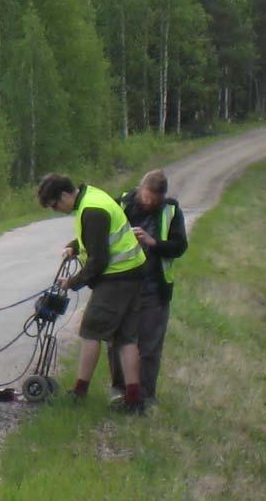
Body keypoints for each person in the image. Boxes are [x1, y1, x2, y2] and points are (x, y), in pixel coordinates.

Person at [37, 173, 147, 414]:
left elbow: (98, 261)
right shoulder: (92, 197)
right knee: (126, 338)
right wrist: (74, 247)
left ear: (65, 194)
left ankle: (78, 394)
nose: (56, 210)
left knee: (90, 332)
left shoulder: (92, 210)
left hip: (117, 278)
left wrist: (72, 282)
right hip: (132, 274)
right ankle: (134, 400)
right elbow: (96, 237)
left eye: (55, 204)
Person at [107, 170, 188, 405]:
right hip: (121, 285)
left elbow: (180, 246)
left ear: (163, 196)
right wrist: (74, 246)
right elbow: (97, 231)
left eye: (156, 199)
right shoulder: (121, 204)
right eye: (147, 197)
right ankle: (119, 390)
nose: (151, 202)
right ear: (140, 189)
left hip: (154, 289)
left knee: (150, 345)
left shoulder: (171, 210)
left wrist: (153, 242)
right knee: (117, 342)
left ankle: (145, 395)